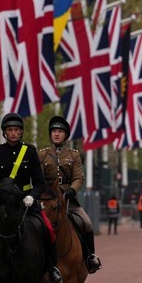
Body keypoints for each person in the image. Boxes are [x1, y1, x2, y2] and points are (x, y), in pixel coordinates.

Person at [0, 113, 63, 283]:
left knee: (48, 229)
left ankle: (52, 268)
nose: (13, 133)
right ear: (4, 132)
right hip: (1, 203)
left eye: (16, 130)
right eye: (10, 130)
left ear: (21, 132)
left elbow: (38, 181)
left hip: (25, 201)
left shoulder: (30, 151)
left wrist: (32, 196)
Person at [38, 115, 101, 274]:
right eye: (54, 131)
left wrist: (71, 190)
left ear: (65, 135)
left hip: (67, 199)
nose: (56, 134)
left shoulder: (74, 155)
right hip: (47, 199)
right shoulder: (42, 154)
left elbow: (78, 178)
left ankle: (90, 257)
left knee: (86, 223)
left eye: (60, 131)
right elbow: (38, 177)